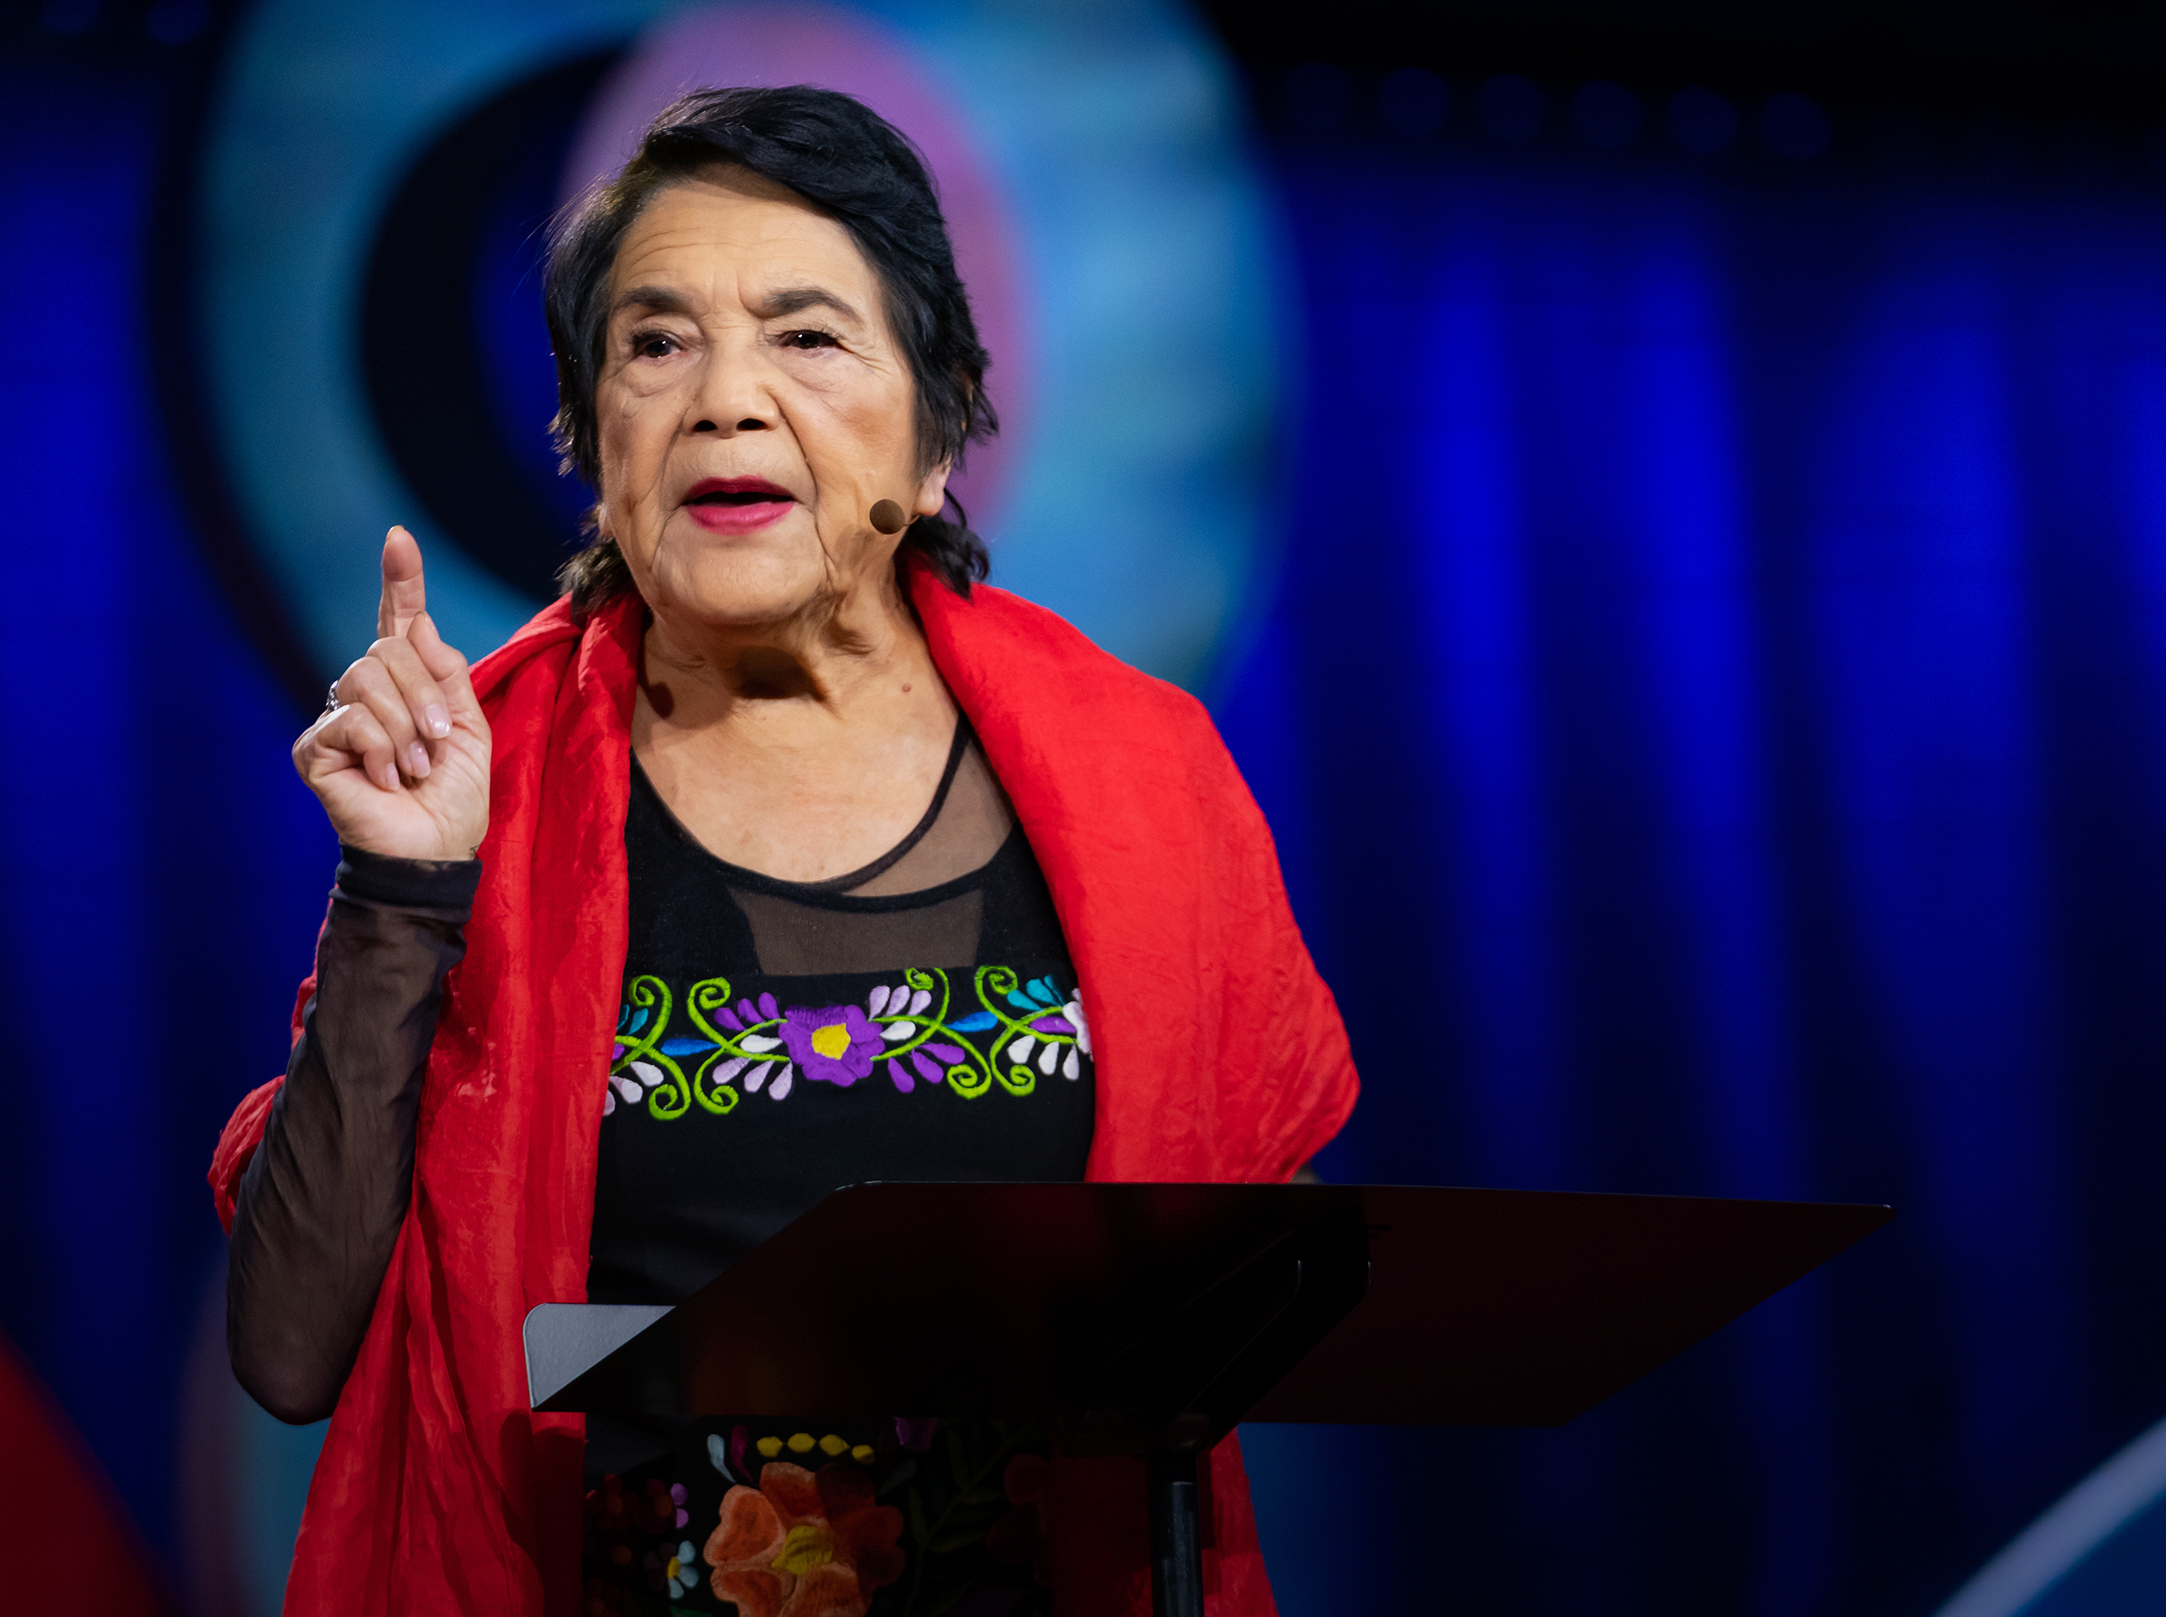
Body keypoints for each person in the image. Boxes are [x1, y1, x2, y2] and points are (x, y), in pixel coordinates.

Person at [207, 85, 1355, 1617]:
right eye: (656, 342)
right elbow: (288, 1355)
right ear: (594, 443)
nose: (725, 399)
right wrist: (403, 888)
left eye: (807, 336)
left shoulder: (1144, 774)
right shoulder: (485, 773)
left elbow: (1247, 1295)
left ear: (940, 429)